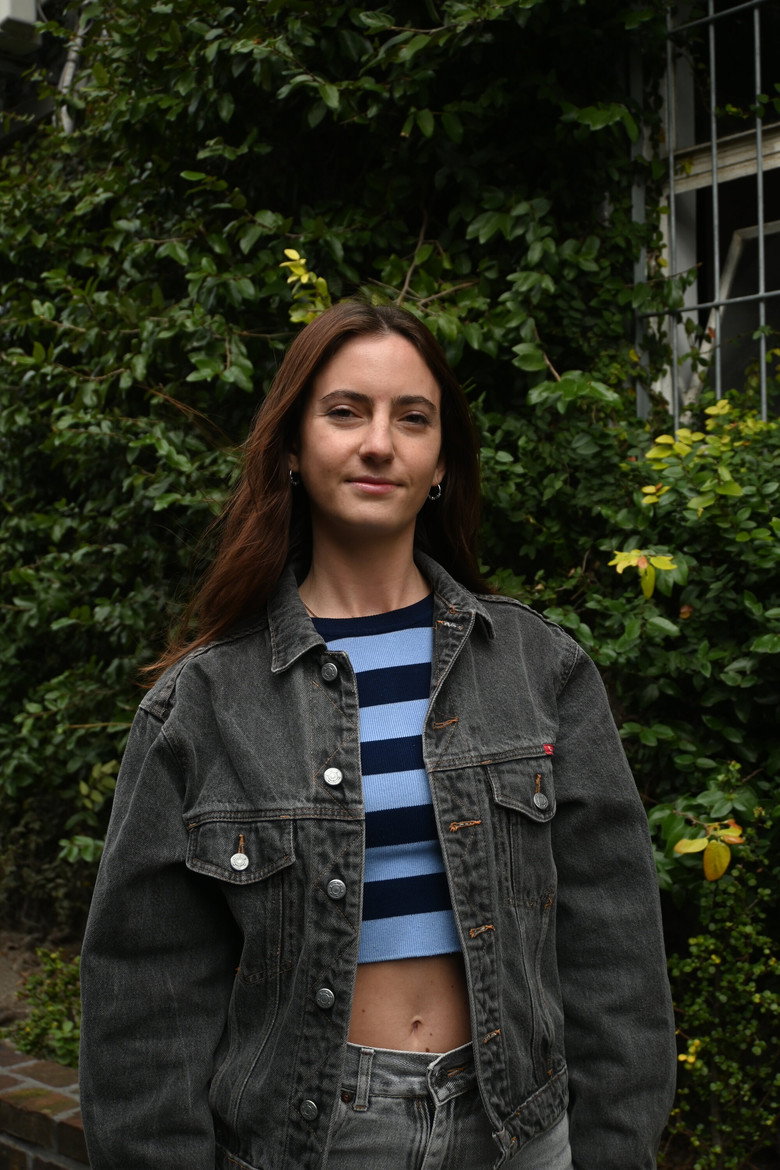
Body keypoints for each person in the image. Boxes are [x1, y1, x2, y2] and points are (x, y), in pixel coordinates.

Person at [79, 300, 676, 1170]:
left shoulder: (540, 669)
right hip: (315, 1142)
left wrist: (618, 1147)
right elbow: (145, 1001)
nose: (378, 443)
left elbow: (615, 950)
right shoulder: (201, 704)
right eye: (345, 411)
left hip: (521, 1133)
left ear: (441, 464)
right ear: (292, 448)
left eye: (413, 418)